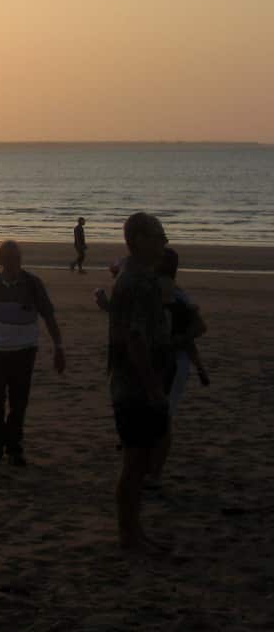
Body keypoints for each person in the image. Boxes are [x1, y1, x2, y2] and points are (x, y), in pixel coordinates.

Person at [108, 212, 175, 551]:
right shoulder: (138, 282)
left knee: (140, 459)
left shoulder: (133, 275)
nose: (164, 241)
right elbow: (135, 339)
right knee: (135, 463)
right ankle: (130, 535)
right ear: (138, 240)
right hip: (135, 387)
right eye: (158, 235)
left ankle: (133, 532)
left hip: (133, 384)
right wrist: (152, 388)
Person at [0, 241, 65, 466]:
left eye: (15, 257)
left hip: (24, 352)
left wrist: (58, 347)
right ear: (0, 260)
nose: (12, 261)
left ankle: (14, 446)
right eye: (7, 257)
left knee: (18, 402)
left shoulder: (33, 284)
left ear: (20, 259)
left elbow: (48, 316)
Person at [145, 247, 208, 490]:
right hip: (160, 361)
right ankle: (150, 469)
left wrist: (173, 343)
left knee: (162, 418)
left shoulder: (177, 296)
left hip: (173, 364)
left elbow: (198, 328)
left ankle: (154, 475)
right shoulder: (160, 291)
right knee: (154, 415)